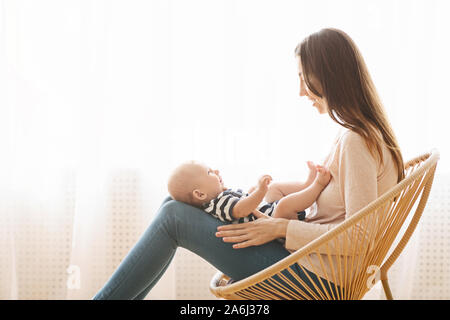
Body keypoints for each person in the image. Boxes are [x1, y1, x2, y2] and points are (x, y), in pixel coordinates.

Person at [93, 28, 404, 300]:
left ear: (329, 75)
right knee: (173, 204)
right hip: (308, 264)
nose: (300, 91)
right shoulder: (354, 136)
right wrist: (273, 201)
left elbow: (359, 239)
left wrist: (280, 227)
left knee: (174, 216)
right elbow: (336, 206)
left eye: (303, 79)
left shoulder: (357, 141)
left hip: (319, 280)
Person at [166, 160, 331, 223]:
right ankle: (317, 186)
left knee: (274, 188)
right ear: (200, 194)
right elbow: (241, 209)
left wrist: (254, 191)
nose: (216, 171)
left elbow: (245, 200)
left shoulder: (222, 196)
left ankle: (306, 185)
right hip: (274, 224)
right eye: (209, 172)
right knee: (284, 205)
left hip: (268, 213)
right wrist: (259, 192)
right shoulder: (217, 205)